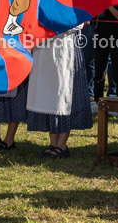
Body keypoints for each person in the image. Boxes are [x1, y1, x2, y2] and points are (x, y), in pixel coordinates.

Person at [29, 25, 92, 158]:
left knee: (64, 96)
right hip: (44, 45)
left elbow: (80, 21)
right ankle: (53, 143)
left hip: (65, 46)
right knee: (49, 94)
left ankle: (61, 145)